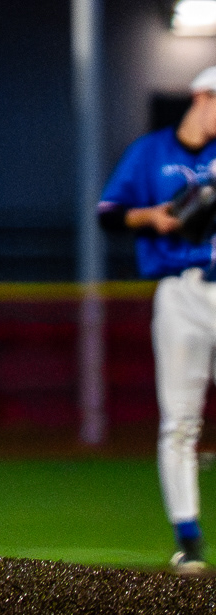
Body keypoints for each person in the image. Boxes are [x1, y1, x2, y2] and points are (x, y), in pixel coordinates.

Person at [97, 64, 216, 570]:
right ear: (202, 96)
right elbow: (108, 214)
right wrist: (153, 217)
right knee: (180, 421)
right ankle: (187, 541)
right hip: (178, 292)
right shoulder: (150, 152)